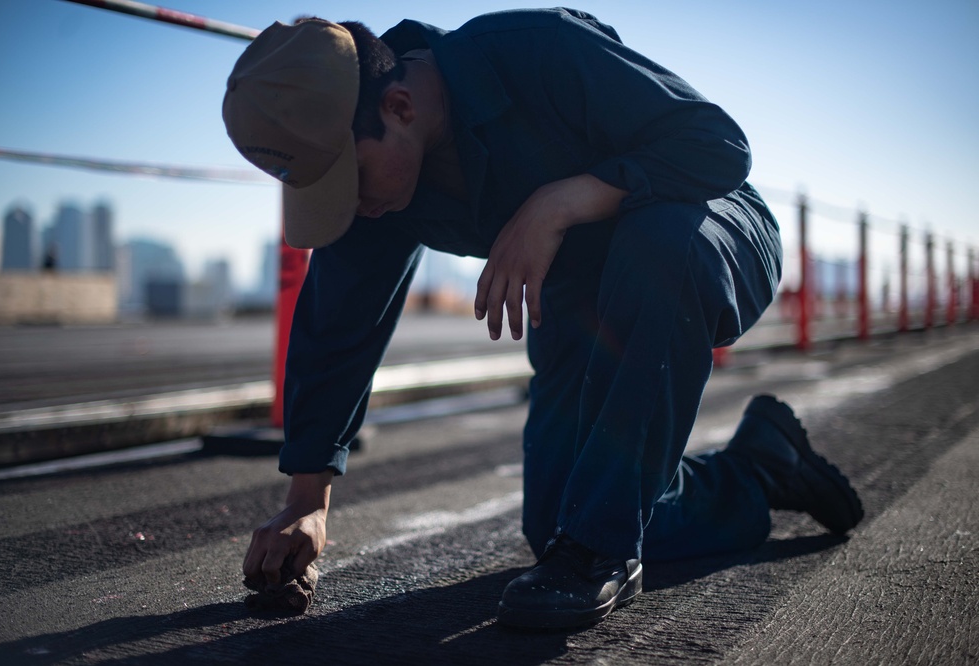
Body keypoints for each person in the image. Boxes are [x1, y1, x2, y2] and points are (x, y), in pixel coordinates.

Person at [222, 8, 864, 629]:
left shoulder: (535, 49)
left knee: (657, 247)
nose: (354, 206)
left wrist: (560, 201)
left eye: (352, 180)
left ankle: (602, 553)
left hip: (703, 223)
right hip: (587, 296)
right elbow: (338, 328)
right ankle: (761, 465)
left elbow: (717, 147)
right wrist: (306, 505)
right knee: (565, 517)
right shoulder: (372, 187)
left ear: (400, 108)